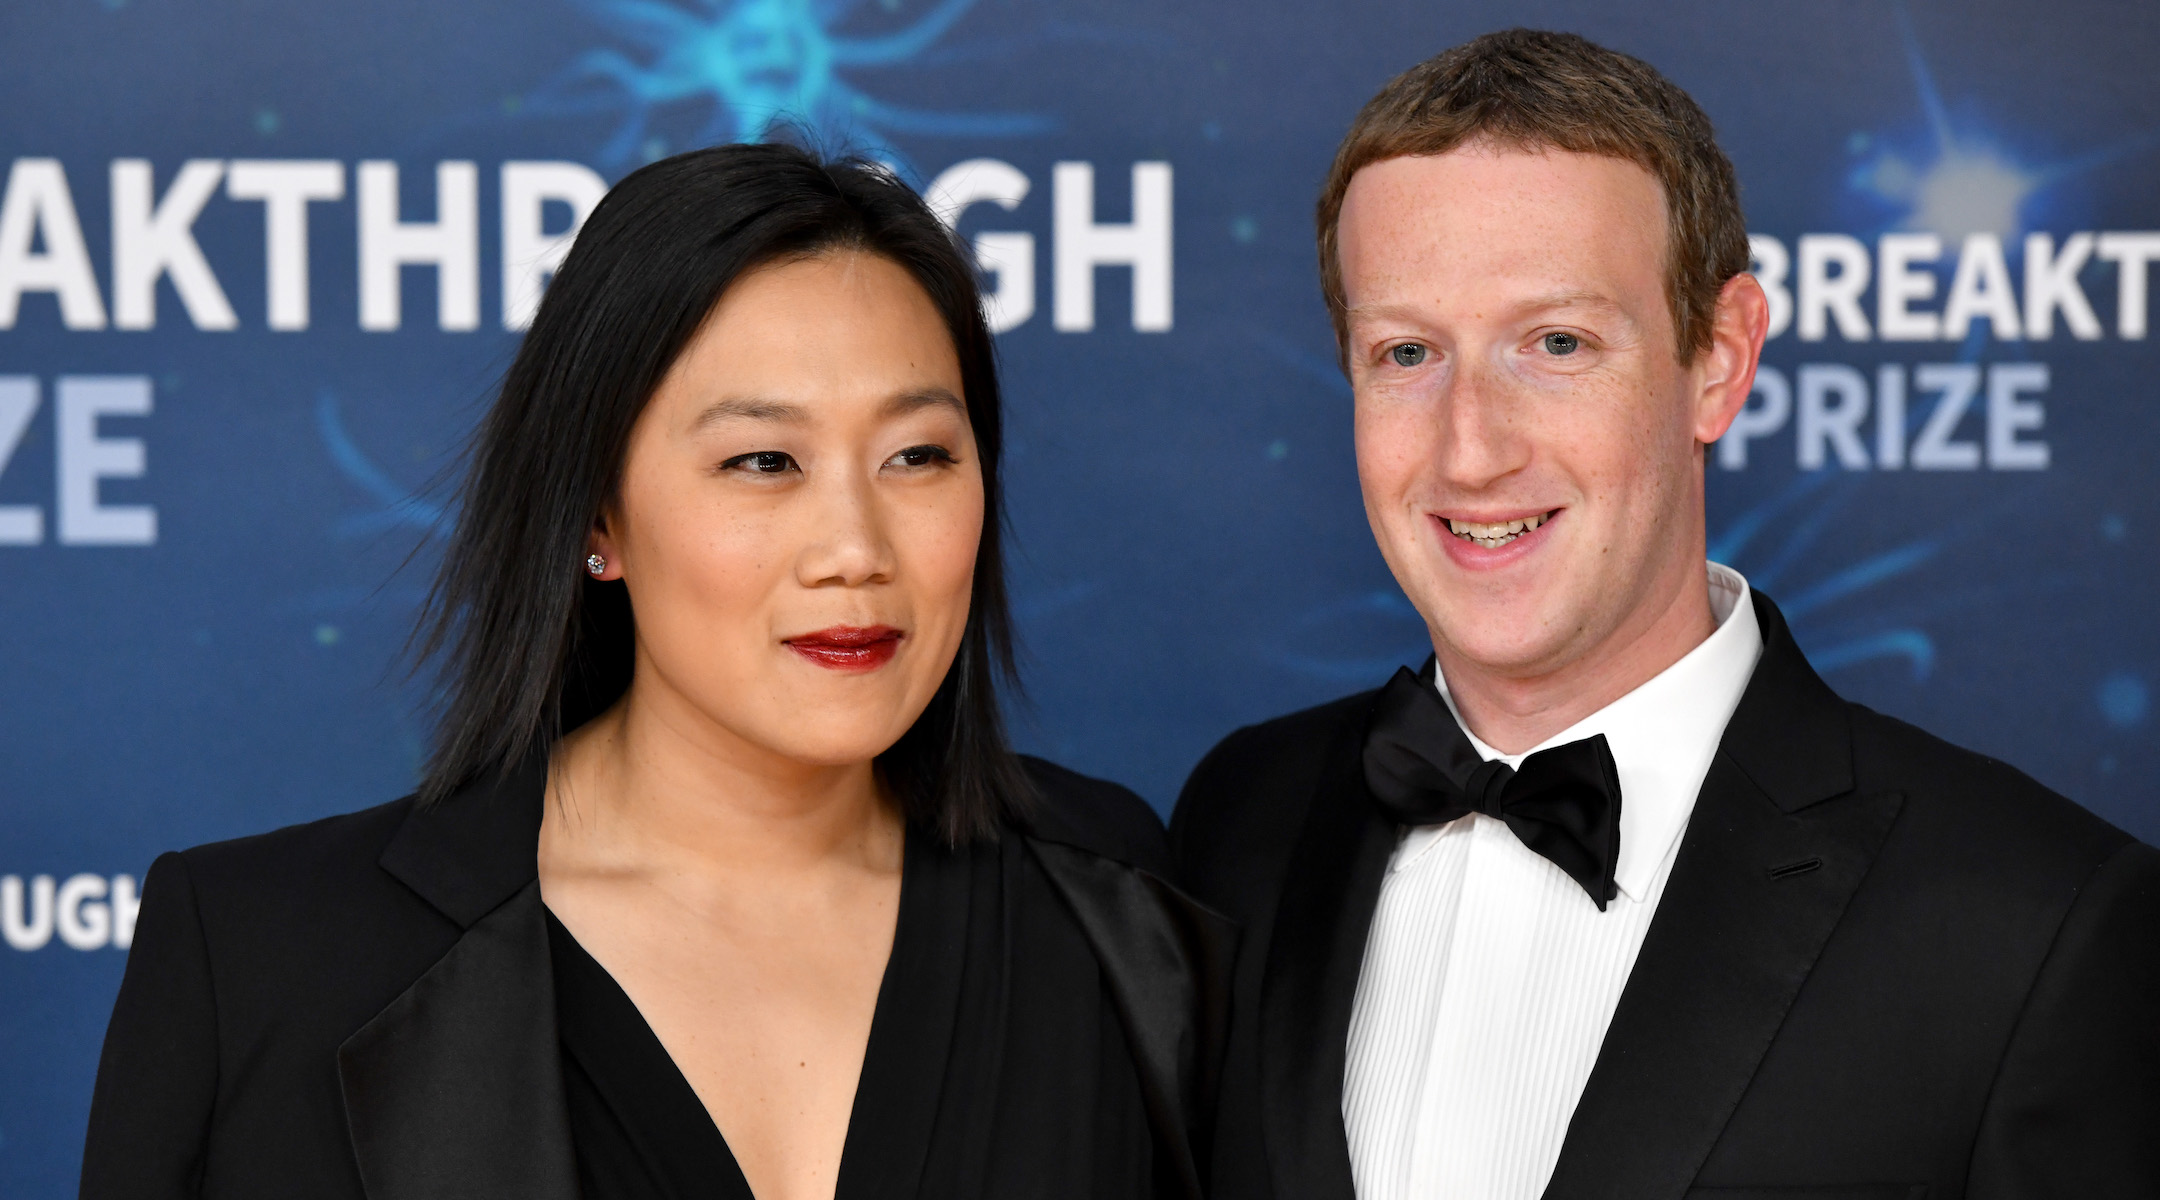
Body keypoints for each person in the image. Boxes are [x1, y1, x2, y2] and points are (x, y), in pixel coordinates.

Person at [81, 143, 1230, 1200]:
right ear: (598, 517)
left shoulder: (1120, 909)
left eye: (918, 455)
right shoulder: (262, 960)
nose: (856, 551)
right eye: (763, 460)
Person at [1171, 28, 2160, 1200]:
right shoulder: (1240, 824)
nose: (1470, 447)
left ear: (1720, 360)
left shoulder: (2031, 927)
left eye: (1556, 343)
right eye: (1406, 352)